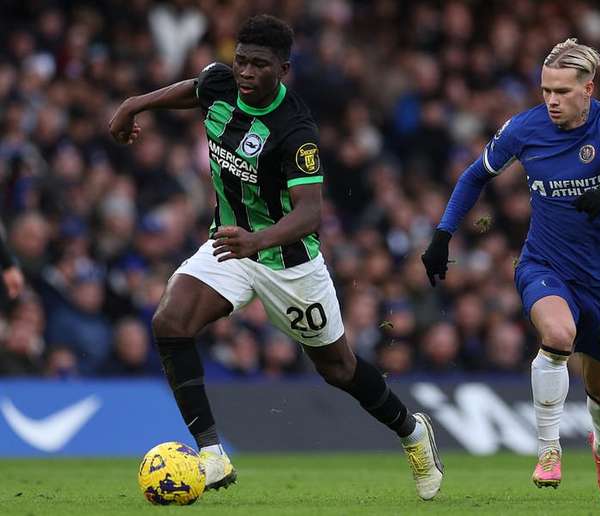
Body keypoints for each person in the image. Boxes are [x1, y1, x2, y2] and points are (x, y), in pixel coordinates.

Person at [109, 14, 442, 500]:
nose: (245, 72)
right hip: (232, 247)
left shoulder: (295, 130)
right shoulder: (221, 83)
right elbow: (194, 88)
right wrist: (133, 105)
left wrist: (257, 241)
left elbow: (311, 213)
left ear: (282, 69)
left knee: (339, 369)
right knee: (170, 322)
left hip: (289, 263)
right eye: (240, 60)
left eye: (258, 65)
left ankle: (412, 432)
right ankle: (211, 453)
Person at [422, 38, 600, 499]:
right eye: (545, 90)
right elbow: (474, 175)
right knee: (557, 336)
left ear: (588, 89)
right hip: (543, 263)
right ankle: (548, 449)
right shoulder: (524, 128)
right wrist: (443, 234)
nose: (552, 100)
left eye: (562, 91)